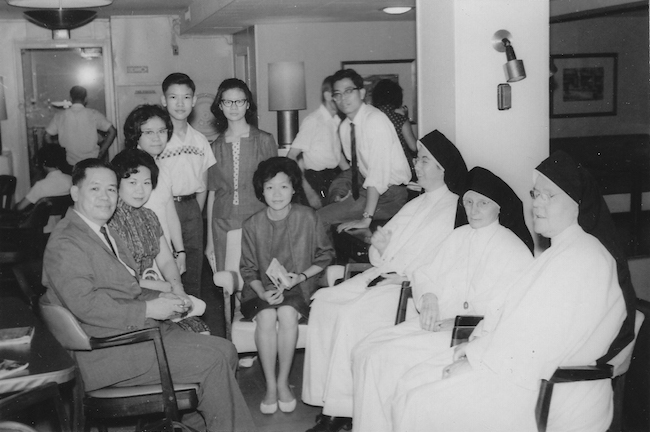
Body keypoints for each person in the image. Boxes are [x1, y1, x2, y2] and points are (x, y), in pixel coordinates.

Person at [390, 151, 636, 432]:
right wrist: (474, 350)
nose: (538, 204)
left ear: (578, 204)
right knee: (412, 381)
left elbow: (543, 343)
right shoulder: (558, 253)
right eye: (535, 194)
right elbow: (513, 319)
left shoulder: (585, 258)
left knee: (420, 400)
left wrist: (476, 361)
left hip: (552, 391)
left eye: (550, 196)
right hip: (522, 373)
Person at [40, 159, 255, 431]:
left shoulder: (99, 231)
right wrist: (150, 310)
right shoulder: (66, 242)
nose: (105, 197)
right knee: (214, 361)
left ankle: (194, 424)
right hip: (110, 351)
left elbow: (124, 285)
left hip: (131, 334)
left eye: (111, 189)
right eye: (95, 189)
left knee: (225, 350)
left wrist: (166, 299)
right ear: (75, 193)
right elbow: (86, 304)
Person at [302, 129, 468, 432]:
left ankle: (343, 411)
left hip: (406, 287)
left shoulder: (454, 209)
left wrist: (398, 269)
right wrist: (378, 246)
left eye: (425, 160)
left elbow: (435, 262)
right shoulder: (415, 204)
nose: (417, 164)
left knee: (350, 315)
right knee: (324, 302)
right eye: (417, 158)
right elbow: (384, 244)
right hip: (382, 274)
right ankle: (327, 398)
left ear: (443, 168)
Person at [350, 166, 534, 432]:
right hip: (436, 323)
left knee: (382, 357)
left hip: (467, 335)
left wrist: (458, 321)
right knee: (365, 348)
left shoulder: (513, 249)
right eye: (468, 202)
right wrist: (430, 297)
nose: (474, 210)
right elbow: (426, 272)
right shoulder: (458, 236)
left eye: (483, 203)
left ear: (498, 208)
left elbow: (505, 313)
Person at [239, 157, 335, 415]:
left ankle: (283, 383)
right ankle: (270, 386)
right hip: (260, 289)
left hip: (298, 288)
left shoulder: (308, 217)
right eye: (270, 187)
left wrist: (301, 277)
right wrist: (262, 292)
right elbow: (248, 268)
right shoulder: (252, 224)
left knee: (287, 313)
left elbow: (325, 255)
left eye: (283, 186)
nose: (277, 193)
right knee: (268, 315)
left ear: (294, 188)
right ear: (262, 190)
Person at [316, 69, 411, 231]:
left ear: (361, 93)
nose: (342, 98)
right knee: (319, 215)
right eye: (337, 94)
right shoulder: (346, 126)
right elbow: (358, 167)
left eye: (348, 91)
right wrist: (351, 192)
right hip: (370, 191)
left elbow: (377, 175)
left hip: (391, 196)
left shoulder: (375, 121)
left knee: (317, 219)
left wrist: (366, 219)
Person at [205, 78, 278, 272]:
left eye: (239, 101)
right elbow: (212, 193)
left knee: (257, 282)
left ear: (247, 104)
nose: (234, 107)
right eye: (228, 102)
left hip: (258, 220)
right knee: (230, 283)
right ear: (220, 106)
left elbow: (276, 187)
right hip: (223, 223)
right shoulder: (214, 147)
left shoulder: (265, 141)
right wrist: (210, 241)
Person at [156, 73, 216, 299]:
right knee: (166, 265)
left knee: (192, 267)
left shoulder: (200, 140)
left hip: (191, 208)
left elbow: (204, 181)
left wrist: (195, 211)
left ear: (194, 101)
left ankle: (193, 320)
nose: (180, 103)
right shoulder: (158, 138)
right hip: (164, 209)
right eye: (173, 97)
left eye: (185, 97)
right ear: (164, 100)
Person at [123, 104, 186, 275]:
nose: (157, 138)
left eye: (162, 131)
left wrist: (179, 251)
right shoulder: (128, 169)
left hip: (164, 254)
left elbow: (169, 212)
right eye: (149, 132)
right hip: (141, 256)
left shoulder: (162, 167)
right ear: (135, 135)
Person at [288, 75, 345, 208]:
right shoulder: (313, 121)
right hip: (315, 181)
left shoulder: (336, 121)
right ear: (327, 95)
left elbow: (337, 155)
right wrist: (308, 191)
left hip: (334, 178)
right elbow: (291, 156)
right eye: (338, 95)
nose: (342, 100)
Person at [44, 85, 117, 166]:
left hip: (68, 163)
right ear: (85, 99)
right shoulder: (93, 114)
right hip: (91, 162)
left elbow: (46, 136)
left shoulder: (60, 115)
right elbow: (112, 131)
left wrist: (57, 153)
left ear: (71, 98)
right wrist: (102, 151)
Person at [371, 79, 417, 181]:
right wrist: (406, 117)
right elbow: (414, 147)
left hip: (375, 170)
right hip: (398, 171)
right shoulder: (400, 119)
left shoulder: (371, 117)